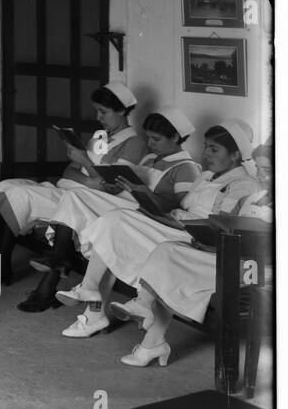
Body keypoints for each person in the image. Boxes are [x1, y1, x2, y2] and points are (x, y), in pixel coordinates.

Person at [55, 119, 259, 339]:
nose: (206, 153)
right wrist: (143, 195)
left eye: (213, 148)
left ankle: (95, 309)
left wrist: (165, 219)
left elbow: (216, 228)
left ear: (236, 155)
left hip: (193, 237)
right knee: (114, 219)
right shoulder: (206, 175)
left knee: (118, 229)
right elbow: (177, 207)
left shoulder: (243, 184)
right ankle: (89, 287)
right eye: (206, 146)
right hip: (174, 223)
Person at [16, 107, 200, 312]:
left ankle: (59, 262)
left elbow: (179, 209)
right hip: (126, 200)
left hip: (146, 214)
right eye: (148, 138)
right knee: (75, 195)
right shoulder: (150, 159)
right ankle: (60, 258)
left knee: (81, 201)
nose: (150, 144)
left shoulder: (186, 167)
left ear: (175, 137)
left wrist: (143, 192)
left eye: (155, 139)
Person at [107, 142, 273, 367]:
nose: (261, 176)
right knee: (168, 249)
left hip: (260, 270)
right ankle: (150, 329)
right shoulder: (256, 196)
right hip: (235, 257)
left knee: (178, 266)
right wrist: (211, 243)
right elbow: (235, 230)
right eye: (259, 168)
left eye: (268, 170)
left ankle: (150, 331)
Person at [0, 81, 145, 237]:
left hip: (82, 204)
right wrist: (88, 180)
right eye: (97, 111)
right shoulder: (99, 138)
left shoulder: (134, 143)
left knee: (19, 194)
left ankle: (0, 262)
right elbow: (69, 171)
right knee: (7, 186)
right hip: (67, 191)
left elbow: (112, 187)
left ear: (122, 111)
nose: (98, 117)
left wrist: (84, 161)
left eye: (103, 111)